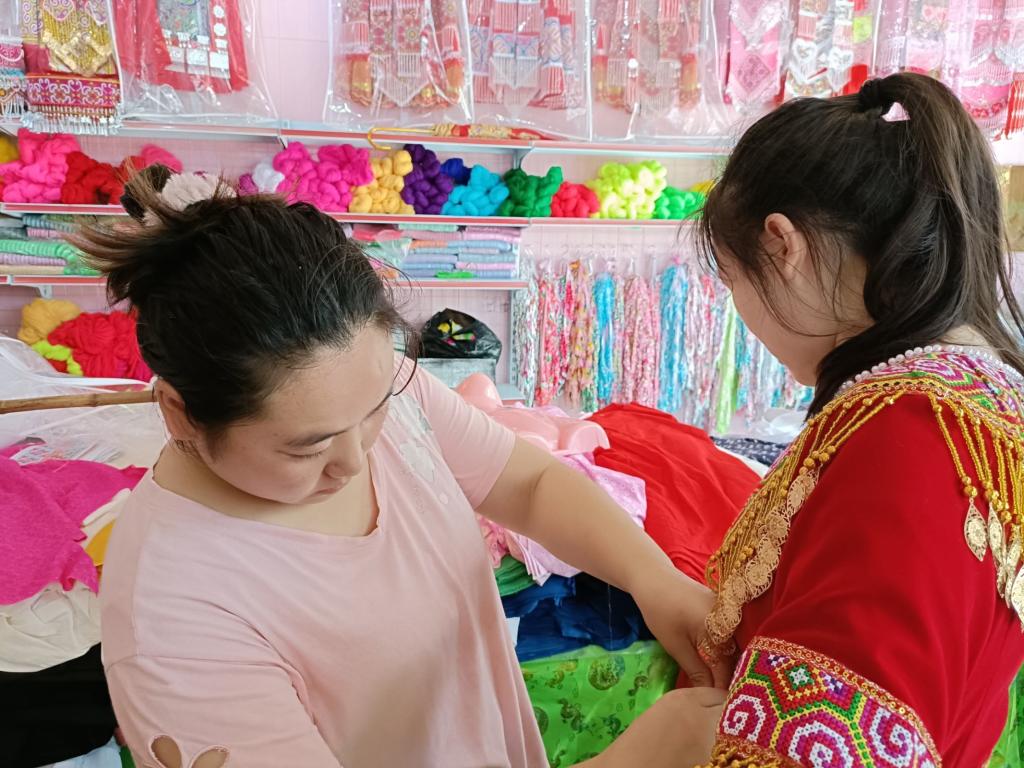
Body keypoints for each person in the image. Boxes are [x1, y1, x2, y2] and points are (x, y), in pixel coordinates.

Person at [78, 168, 725, 768]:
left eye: (375, 409)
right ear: (181, 415)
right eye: (307, 448)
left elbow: (528, 485)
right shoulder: (173, 620)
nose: (357, 458)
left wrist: (653, 579)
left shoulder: (384, 388)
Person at [665, 71, 1024, 766]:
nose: (743, 311)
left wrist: (667, 743)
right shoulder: (974, 398)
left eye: (734, 280)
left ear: (782, 245)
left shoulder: (908, 437)